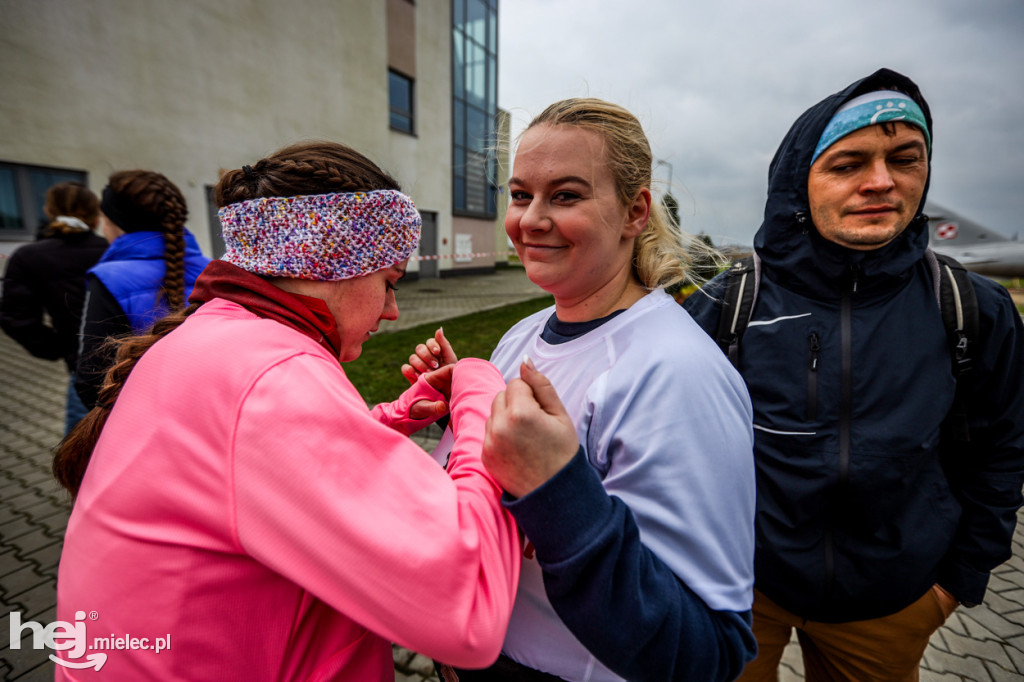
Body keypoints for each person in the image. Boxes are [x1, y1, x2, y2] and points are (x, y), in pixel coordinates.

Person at [51, 141, 520, 680]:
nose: (393, 311)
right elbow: (468, 607)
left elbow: (256, 473)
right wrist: (480, 387)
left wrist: (392, 417)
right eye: (389, 283)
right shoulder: (273, 374)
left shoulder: (222, 338)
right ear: (332, 265)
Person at [684, 68, 1024, 680]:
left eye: (905, 158)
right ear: (799, 179)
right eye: (847, 164)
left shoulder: (974, 308)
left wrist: (957, 583)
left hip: (894, 605)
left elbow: (1003, 451)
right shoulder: (727, 304)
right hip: (740, 593)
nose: (881, 182)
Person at [407, 98, 757, 681]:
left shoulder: (678, 373)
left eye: (565, 196)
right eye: (521, 195)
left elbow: (706, 652)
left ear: (634, 212)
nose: (530, 220)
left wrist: (556, 490)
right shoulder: (523, 333)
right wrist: (464, 419)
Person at [74, 169, 210, 408]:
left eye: (105, 221)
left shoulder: (110, 278)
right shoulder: (214, 269)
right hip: (212, 411)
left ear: (115, 224)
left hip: (146, 418)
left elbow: (93, 381)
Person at [0, 181, 109, 432]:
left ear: (49, 212)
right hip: (130, 360)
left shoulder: (28, 256)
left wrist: (62, 347)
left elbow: (15, 318)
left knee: (81, 456)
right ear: (95, 216)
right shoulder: (112, 250)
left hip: (82, 367)